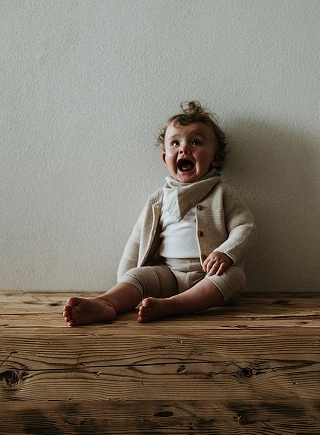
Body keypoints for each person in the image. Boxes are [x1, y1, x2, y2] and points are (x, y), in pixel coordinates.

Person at [64, 101, 256, 326]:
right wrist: (125, 280)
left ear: (215, 157)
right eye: (175, 143)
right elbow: (137, 240)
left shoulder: (221, 193)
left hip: (209, 275)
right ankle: (107, 302)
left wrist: (226, 253)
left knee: (234, 277)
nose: (184, 149)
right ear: (165, 158)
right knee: (138, 277)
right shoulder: (158, 199)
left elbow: (245, 226)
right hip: (168, 275)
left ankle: (173, 305)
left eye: (195, 142)